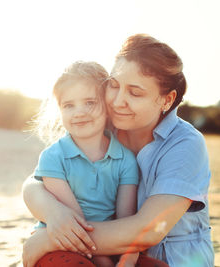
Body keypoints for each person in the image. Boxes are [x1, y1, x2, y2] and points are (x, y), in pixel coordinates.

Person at [22, 34, 214, 267]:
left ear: (167, 100)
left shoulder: (185, 144)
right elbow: (36, 182)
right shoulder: (105, 124)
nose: (117, 101)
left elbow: (149, 230)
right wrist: (54, 214)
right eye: (113, 85)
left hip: (170, 260)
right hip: (101, 256)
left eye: (134, 93)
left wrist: (52, 239)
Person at [28, 61, 143, 267]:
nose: (79, 112)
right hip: (60, 242)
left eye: (89, 102)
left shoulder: (126, 160)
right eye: (68, 105)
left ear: (108, 106)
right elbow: (76, 222)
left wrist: (127, 260)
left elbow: (126, 222)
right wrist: (105, 263)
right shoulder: (53, 157)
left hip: (109, 245)